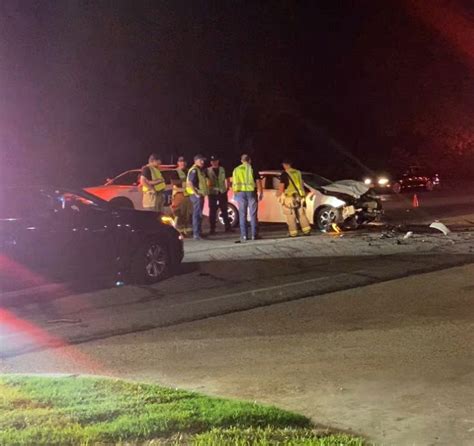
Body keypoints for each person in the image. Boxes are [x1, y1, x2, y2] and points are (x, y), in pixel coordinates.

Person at [231, 154, 263, 242]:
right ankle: (254, 235)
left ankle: (244, 236)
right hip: (251, 193)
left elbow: (234, 182)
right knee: (253, 214)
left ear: (241, 161)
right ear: (250, 160)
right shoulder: (251, 168)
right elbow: (258, 181)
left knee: (242, 215)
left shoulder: (236, 170)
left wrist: (234, 194)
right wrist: (260, 192)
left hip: (240, 193)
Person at [277, 159, 311, 237]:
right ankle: (306, 230)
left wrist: (278, 195)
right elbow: (301, 183)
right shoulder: (298, 172)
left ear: (285, 164)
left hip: (289, 197)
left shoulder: (285, 174)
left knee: (290, 215)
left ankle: (293, 232)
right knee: (301, 214)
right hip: (299, 196)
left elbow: (281, 187)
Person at [186, 154, 209, 240]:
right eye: (200, 160)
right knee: (197, 214)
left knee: (199, 214)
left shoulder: (199, 170)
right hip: (196, 196)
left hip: (199, 195)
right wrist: (196, 193)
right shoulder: (194, 170)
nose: (202, 162)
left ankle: (199, 232)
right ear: (195, 161)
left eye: (203, 160)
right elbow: (190, 183)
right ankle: (196, 234)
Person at [207, 155, 231, 234]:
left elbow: (227, 179)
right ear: (211, 162)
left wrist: (227, 188)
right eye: (212, 161)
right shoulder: (207, 170)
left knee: (224, 210)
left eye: (215, 161)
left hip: (222, 192)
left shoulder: (222, 169)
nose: (214, 162)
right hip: (212, 193)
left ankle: (228, 227)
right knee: (212, 211)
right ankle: (212, 229)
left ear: (218, 161)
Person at [172, 156, 193, 235]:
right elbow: (174, 182)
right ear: (178, 163)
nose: (183, 163)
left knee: (188, 214)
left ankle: (187, 231)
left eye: (184, 162)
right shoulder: (175, 172)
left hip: (188, 195)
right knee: (179, 214)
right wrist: (185, 182)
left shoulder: (188, 171)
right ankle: (179, 232)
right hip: (179, 195)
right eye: (181, 162)